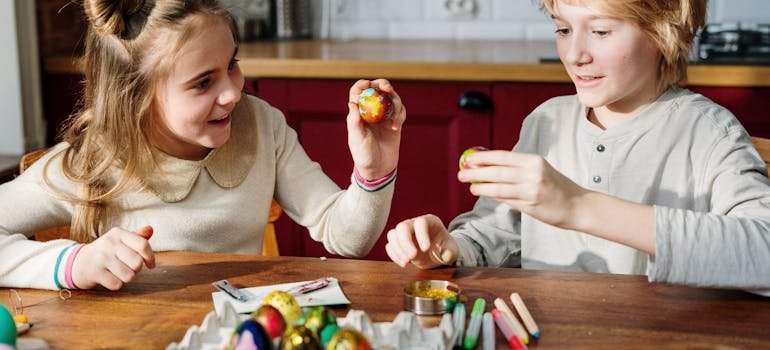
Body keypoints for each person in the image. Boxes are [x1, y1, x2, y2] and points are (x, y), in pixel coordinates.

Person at [0, 0, 405, 291]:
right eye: (202, 82)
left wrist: (373, 172)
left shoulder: (262, 125)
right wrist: (73, 264)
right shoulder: (94, 161)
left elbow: (348, 238)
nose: (232, 92)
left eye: (232, 64)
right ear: (136, 97)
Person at [385, 0, 770, 295]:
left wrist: (578, 206)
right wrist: (453, 246)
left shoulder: (707, 133)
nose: (574, 55)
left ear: (662, 30)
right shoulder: (545, 123)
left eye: (600, 32)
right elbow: (498, 234)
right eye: (564, 29)